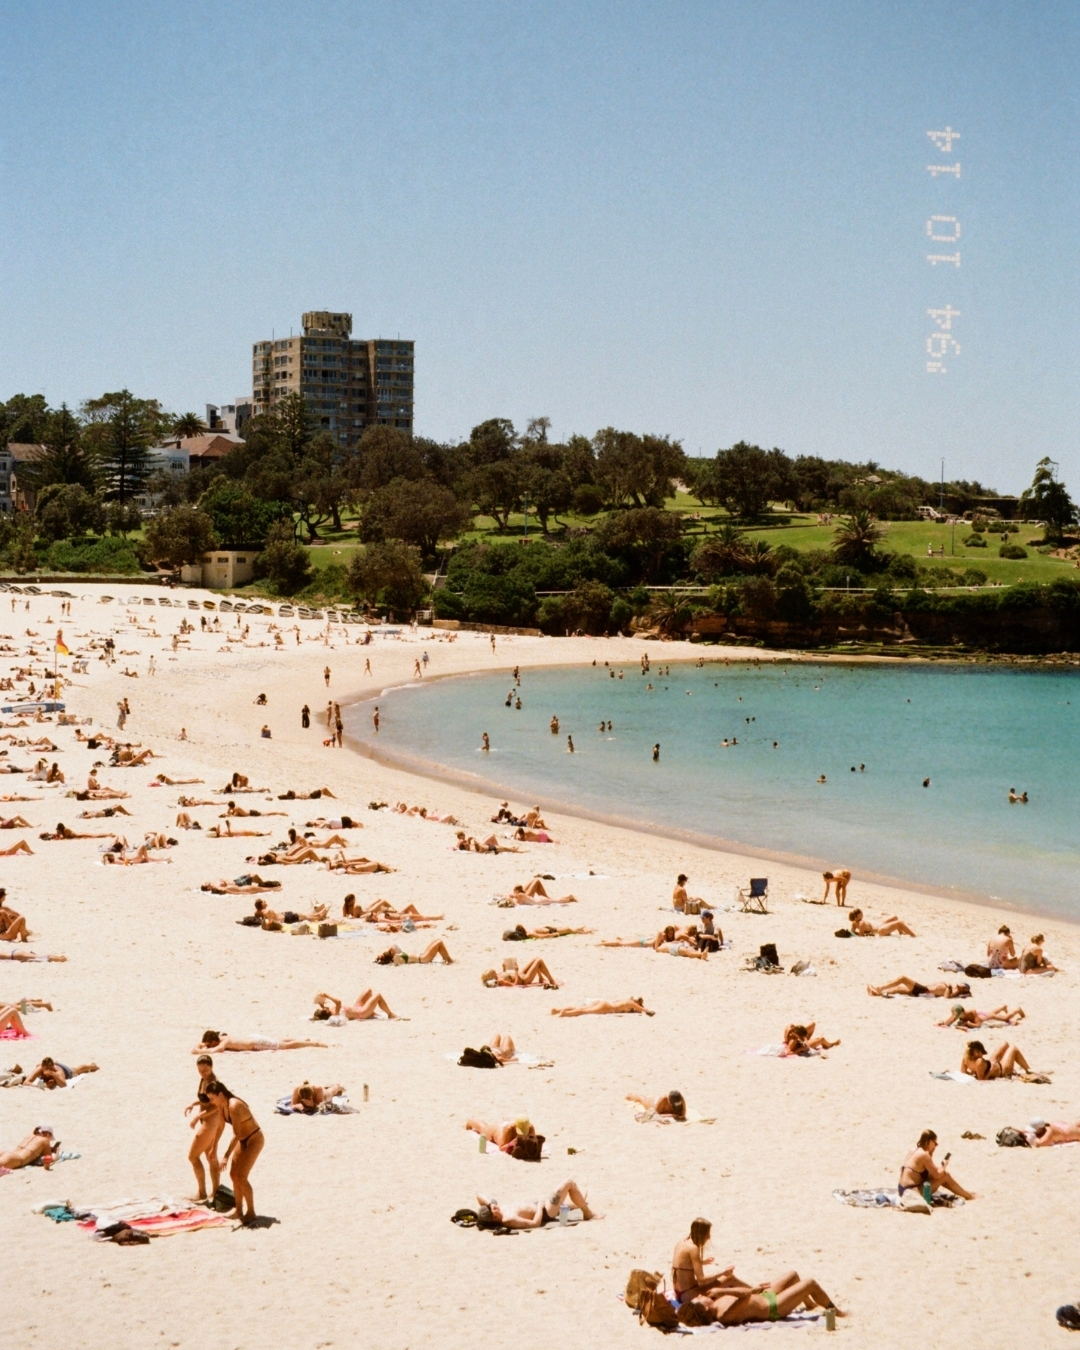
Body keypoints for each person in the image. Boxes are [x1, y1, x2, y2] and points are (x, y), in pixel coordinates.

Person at [205, 1081, 262, 1224]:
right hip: (243, 1139)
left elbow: (236, 1134)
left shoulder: (234, 1105)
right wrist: (214, 1147)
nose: (211, 1102)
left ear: (220, 1094)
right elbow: (220, 1127)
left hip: (254, 1139)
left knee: (241, 1177)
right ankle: (238, 1210)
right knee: (233, 1175)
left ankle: (251, 1212)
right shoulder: (221, 1105)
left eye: (212, 1098)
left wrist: (225, 1157)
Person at [473, 1180, 600, 1228]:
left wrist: (489, 1204)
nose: (496, 1207)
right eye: (494, 1209)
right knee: (569, 1183)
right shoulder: (508, 1219)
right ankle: (587, 1213)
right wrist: (539, 1206)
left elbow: (478, 1195)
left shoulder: (495, 1210)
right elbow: (535, 1224)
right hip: (545, 1212)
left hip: (539, 1205)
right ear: (494, 1217)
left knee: (569, 1203)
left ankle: (579, 1203)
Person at [185, 1054, 224, 1201]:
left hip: (210, 1123)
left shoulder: (213, 1082)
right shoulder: (204, 1079)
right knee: (211, 1157)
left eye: (206, 1070)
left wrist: (197, 1117)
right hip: (209, 1123)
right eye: (200, 1070)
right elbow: (205, 1099)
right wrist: (193, 1104)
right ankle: (215, 1192)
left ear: (211, 1067)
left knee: (193, 1156)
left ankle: (202, 1192)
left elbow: (215, 1106)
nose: (203, 1072)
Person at [898, 1129, 975, 1200]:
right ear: (930, 1141)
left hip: (902, 1189)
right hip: (911, 1193)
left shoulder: (914, 1150)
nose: (935, 1146)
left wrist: (932, 1155)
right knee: (944, 1175)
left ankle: (965, 1193)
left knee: (943, 1175)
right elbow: (937, 1175)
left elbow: (929, 1170)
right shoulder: (924, 1155)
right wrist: (944, 1165)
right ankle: (968, 1196)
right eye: (935, 1144)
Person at [961, 1039, 1033, 1080]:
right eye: (981, 1053)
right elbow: (982, 1080)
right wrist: (991, 1070)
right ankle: (1028, 1070)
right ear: (977, 1052)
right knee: (1014, 1048)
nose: (982, 1055)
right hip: (1002, 1070)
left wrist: (973, 1072)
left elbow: (963, 1072)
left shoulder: (965, 1058)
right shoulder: (979, 1062)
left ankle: (1011, 1064)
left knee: (1005, 1044)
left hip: (990, 1063)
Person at [193, 1030, 328, 1052]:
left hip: (256, 1043)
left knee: (284, 1046)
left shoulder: (225, 1041)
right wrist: (201, 1045)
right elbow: (211, 1044)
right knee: (278, 1041)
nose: (209, 1046)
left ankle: (312, 1044)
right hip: (254, 1039)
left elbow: (218, 1049)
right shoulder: (221, 1036)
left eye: (209, 1044)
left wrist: (198, 1051)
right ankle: (303, 1040)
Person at [313, 990, 398, 1021]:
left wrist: (321, 1004)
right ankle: (390, 1014)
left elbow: (324, 1010)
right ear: (326, 1012)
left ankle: (371, 1011)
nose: (325, 1008)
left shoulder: (331, 1011)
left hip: (356, 1007)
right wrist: (327, 995)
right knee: (378, 996)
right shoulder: (335, 1013)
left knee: (368, 991)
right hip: (362, 1013)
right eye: (323, 1009)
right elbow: (338, 1002)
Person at [465, 1115, 537, 1151]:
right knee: (483, 1128)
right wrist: (512, 1143)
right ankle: (470, 1121)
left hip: (509, 1126)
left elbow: (535, 1143)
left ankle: (505, 1120)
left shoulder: (530, 1127)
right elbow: (502, 1148)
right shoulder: (509, 1129)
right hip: (496, 1131)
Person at [481, 956, 557, 988]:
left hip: (521, 975)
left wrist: (504, 969)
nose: (496, 972)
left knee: (535, 958)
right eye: (494, 972)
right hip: (524, 980)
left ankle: (541, 978)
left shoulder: (498, 976)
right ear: (492, 976)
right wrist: (516, 971)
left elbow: (507, 977)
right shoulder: (500, 981)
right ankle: (551, 980)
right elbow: (514, 985)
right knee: (539, 961)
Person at [26, 1056, 98, 1088]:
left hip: (66, 1071)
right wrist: (41, 1086)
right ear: (42, 1067)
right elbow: (26, 1083)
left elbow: (63, 1084)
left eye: (50, 1069)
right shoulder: (39, 1069)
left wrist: (54, 1074)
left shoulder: (58, 1071)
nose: (48, 1071)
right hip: (52, 1066)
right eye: (46, 1069)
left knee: (76, 1071)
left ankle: (92, 1066)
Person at [867, 977, 971, 999]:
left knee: (902, 978)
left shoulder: (955, 991)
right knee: (898, 988)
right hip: (923, 990)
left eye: (963, 986)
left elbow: (946, 997)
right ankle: (877, 993)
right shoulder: (954, 987)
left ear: (964, 989)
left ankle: (878, 988)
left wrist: (948, 985)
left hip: (924, 990)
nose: (960, 985)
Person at [937, 1004, 1025, 1029]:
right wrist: (944, 1023)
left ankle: (1017, 1010)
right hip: (981, 1015)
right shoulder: (959, 1013)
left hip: (985, 1017)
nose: (955, 1017)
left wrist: (968, 1024)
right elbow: (951, 1020)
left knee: (1005, 1018)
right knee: (992, 1012)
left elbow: (978, 1024)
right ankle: (1002, 1007)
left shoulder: (971, 1012)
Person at [375, 939, 453, 965]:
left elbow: (393, 946)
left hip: (422, 955)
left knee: (437, 941)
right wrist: (384, 958)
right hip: (423, 959)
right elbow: (395, 963)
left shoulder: (398, 955)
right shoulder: (397, 958)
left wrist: (382, 955)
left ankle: (448, 959)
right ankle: (449, 960)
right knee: (439, 942)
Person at [550, 997, 654, 1016]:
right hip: (608, 1007)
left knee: (580, 1008)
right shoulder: (630, 1003)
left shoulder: (625, 1000)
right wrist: (648, 1010)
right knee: (584, 1012)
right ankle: (565, 1014)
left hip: (604, 1002)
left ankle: (557, 1010)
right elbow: (643, 1010)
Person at [847, 908, 915, 937]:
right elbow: (860, 935)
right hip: (879, 931)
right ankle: (913, 935)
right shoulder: (861, 923)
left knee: (894, 917)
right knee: (899, 922)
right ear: (857, 916)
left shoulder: (854, 923)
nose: (862, 914)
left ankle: (901, 933)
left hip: (878, 926)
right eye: (860, 913)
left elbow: (853, 933)